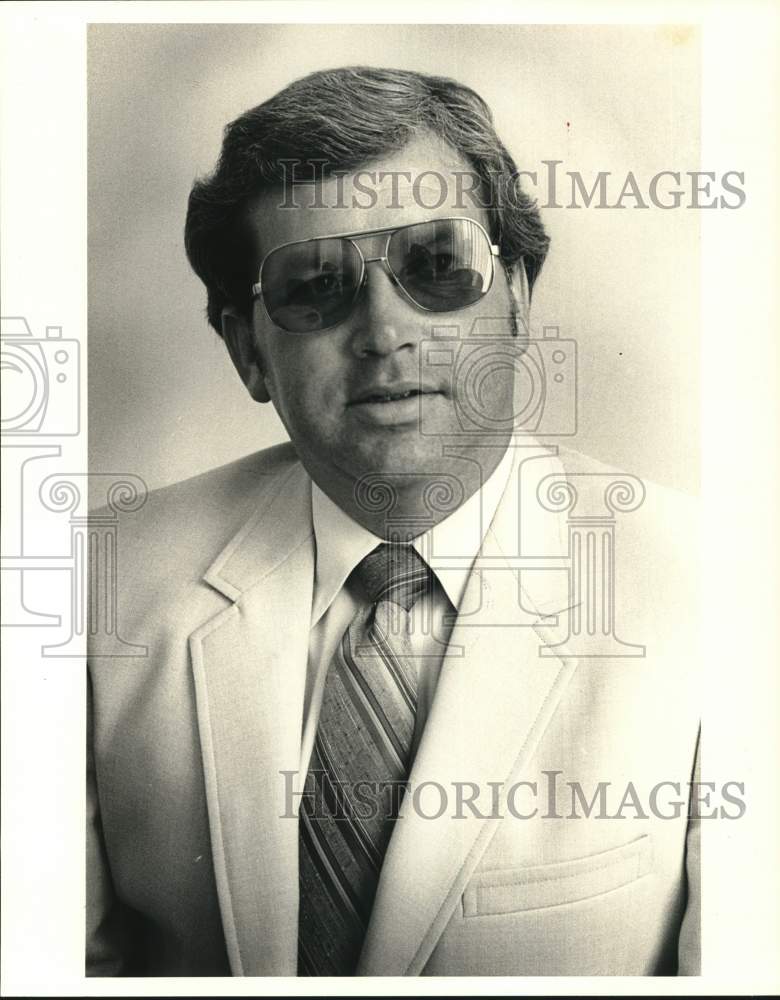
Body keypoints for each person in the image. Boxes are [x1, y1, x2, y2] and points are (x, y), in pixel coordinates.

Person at [86, 66, 700, 977]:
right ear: (248, 349)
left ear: (519, 300)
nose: (384, 331)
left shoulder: (720, 585)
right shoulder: (92, 585)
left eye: (437, 268)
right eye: (315, 287)